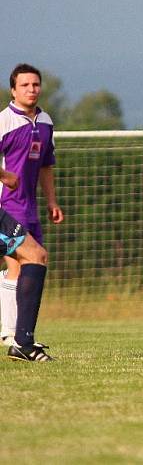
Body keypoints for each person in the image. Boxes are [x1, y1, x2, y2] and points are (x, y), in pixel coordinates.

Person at [0, 63, 63, 348]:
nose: (31, 89)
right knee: (20, 264)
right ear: (13, 90)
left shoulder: (46, 121)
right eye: (24, 85)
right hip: (6, 205)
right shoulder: (4, 122)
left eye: (35, 84)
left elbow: (47, 165)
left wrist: (51, 201)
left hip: (31, 207)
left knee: (29, 264)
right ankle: (12, 334)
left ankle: (15, 334)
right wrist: (5, 176)